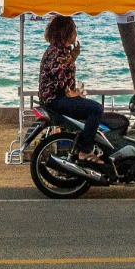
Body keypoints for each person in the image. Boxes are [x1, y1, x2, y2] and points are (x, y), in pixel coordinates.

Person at [38, 15, 104, 166]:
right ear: (66, 32)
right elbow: (59, 80)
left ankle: (81, 146)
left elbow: (63, 72)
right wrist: (72, 93)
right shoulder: (57, 52)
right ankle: (85, 150)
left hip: (55, 98)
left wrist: (73, 57)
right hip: (55, 100)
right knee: (96, 109)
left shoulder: (59, 51)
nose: (76, 33)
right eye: (74, 29)